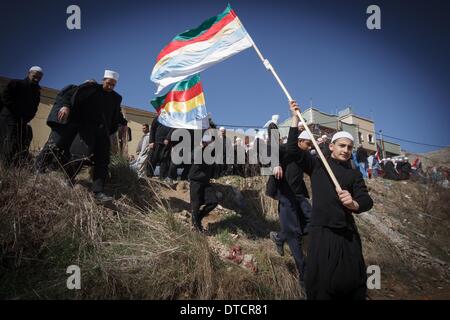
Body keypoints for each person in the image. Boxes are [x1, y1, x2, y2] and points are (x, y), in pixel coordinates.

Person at [287, 101, 373, 300]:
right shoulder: (318, 165)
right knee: (321, 283)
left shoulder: (353, 175)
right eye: (341, 146)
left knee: (353, 281)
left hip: (346, 234)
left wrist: (354, 204)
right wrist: (294, 118)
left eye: (349, 147)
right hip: (321, 232)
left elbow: (366, 200)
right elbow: (292, 150)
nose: (345, 150)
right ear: (332, 146)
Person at [66, 70, 127, 202]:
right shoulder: (92, 89)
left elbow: (116, 114)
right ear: (103, 80)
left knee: (102, 162)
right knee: (79, 156)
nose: (110, 87)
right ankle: (68, 179)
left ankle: (98, 192)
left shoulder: (116, 98)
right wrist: (86, 85)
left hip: (103, 133)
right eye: (108, 83)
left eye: (113, 85)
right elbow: (76, 98)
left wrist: (123, 123)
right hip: (87, 129)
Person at [269, 129, 313, 292]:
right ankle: (304, 274)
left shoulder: (306, 156)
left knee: (312, 221)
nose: (309, 147)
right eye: (307, 144)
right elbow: (270, 150)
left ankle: (280, 237)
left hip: (300, 196)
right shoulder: (286, 149)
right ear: (299, 141)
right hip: (286, 196)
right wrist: (276, 164)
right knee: (294, 234)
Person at [34, 80, 97, 173]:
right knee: (54, 144)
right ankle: (38, 167)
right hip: (63, 122)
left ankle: (53, 168)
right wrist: (65, 106)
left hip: (74, 126)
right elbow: (63, 96)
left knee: (66, 149)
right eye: (89, 84)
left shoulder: (88, 98)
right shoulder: (73, 88)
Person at [0, 66, 43, 166]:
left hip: (22, 121)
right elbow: (4, 97)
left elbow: (35, 107)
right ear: (29, 73)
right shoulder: (16, 83)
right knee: (9, 142)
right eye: (34, 76)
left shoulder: (36, 91)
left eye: (39, 78)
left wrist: (28, 117)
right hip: (8, 118)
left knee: (21, 143)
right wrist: (16, 111)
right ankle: (5, 168)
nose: (36, 79)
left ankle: (14, 167)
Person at [188, 134, 218, 232]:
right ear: (205, 142)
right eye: (211, 142)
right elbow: (192, 157)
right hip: (196, 181)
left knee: (213, 202)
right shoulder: (198, 150)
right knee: (195, 204)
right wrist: (201, 147)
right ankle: (196, 226)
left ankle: (198, 218)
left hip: (205, 182)